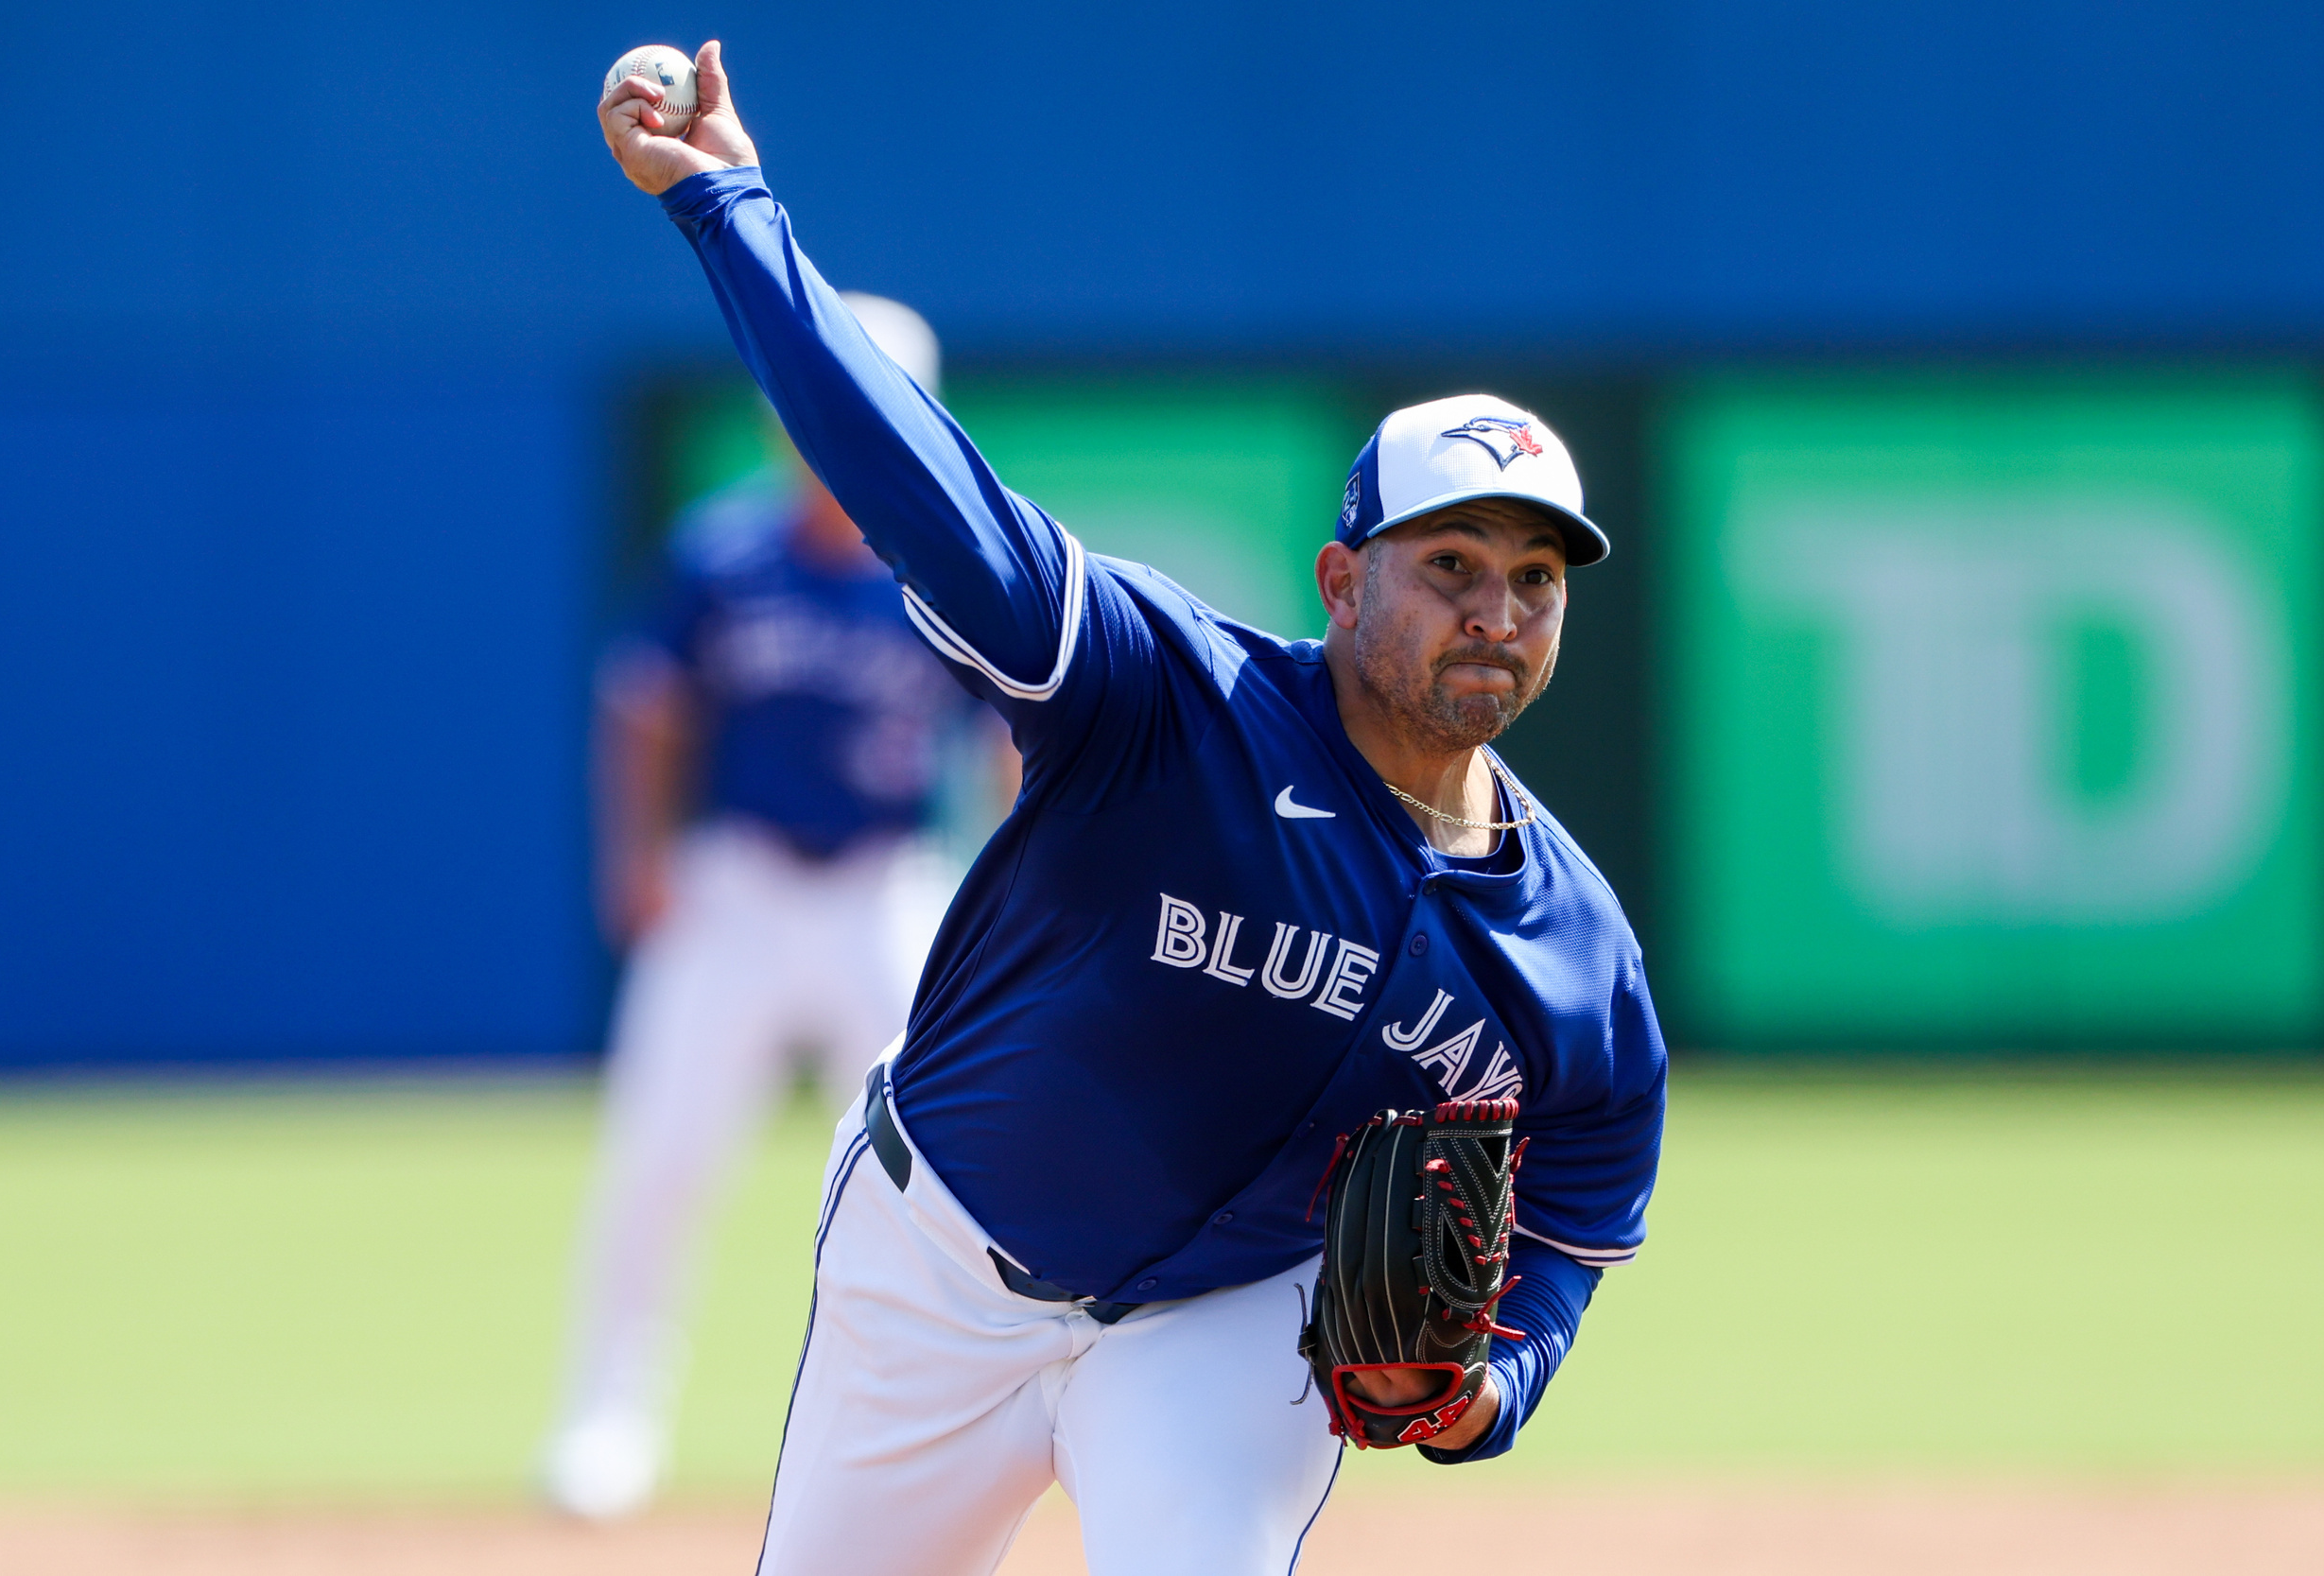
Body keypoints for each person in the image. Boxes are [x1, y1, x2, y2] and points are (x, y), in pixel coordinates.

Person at [597, 43, 1667, 1575]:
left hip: (1229, 1328)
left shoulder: (1572, 947)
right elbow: (927, 499)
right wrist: (724, 204)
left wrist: (1494, 1383)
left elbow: (1584, 1187)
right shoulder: (1166, 693)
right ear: (1343, 580)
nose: (1496, 609)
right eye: (1452, 566)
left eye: (1535, 580)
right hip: (939, 1266)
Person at [542, 291, 1013, 1519]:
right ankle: (608, 1422)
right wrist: (636, 850)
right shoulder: (725, 553)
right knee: (660, 1162)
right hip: (736, 890)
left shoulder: (953, 571)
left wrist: (1020, 886)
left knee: (951, 1178)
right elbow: (645, 704)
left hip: (885, 893)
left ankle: (968, 1425)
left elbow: (1015, 741)